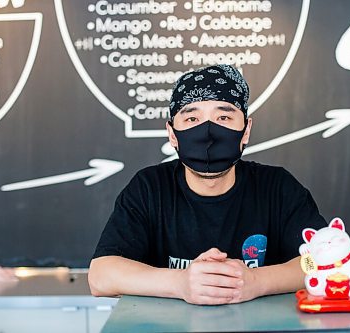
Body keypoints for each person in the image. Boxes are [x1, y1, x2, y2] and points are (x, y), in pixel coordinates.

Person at [88, 64, 327, 305]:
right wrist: (181, 283)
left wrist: (256, 281)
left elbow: (320, 260)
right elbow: (101, 276)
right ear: (172, 134)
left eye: (223, 117)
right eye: (192, 118)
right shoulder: (149, 188)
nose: (208, 131)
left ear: (246, 130)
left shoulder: (277, 187)